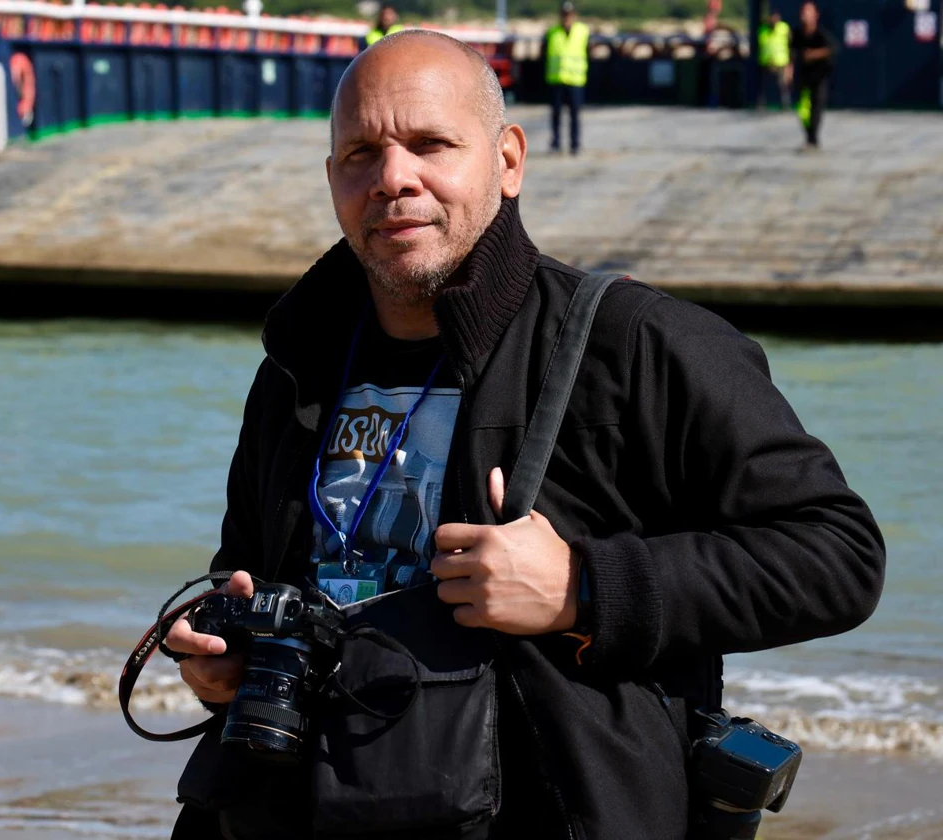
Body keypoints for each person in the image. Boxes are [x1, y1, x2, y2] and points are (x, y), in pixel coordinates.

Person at [164, 30, 884, 839]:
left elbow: (838, 555)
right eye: (362, 153)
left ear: (508, 160)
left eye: (432, 143)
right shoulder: (299, 360)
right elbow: (244, 567)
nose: (394, 177)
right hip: (292, 809)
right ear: (333, 178)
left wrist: (584, 587)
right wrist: (219, 651)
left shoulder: (637, 344)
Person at [545, 1, 589, 155]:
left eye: (569, 15)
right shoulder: (552, 32)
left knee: (575, 115)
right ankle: (556, 143)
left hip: (576, 80)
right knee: (556, 115)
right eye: (564, 15)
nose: (566, 18)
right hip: (556, 79)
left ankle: (575, 144)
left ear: (574, 15)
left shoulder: (583, 31)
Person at [791, 0, 837, 149]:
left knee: (817, 106)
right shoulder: (797, 34)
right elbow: (791, 54)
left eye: (808, 12)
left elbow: (832, 49)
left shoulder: (821, 34)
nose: (805, 15)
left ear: (816, 15)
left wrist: (813, 54)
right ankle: (809, 135)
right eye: (803, 12)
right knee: (802, 109)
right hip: (803, 75)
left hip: (819, 75)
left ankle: (813, 139)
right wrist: (789, 70)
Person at [757, 8, 792, 109]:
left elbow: (790, 45)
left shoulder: (784, 28)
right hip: (765, 62)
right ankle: (761, 104)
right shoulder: (762, 29)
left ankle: (785, 104)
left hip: (781, 61)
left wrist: (789, 64)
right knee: (763, 86)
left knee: (782, 85)